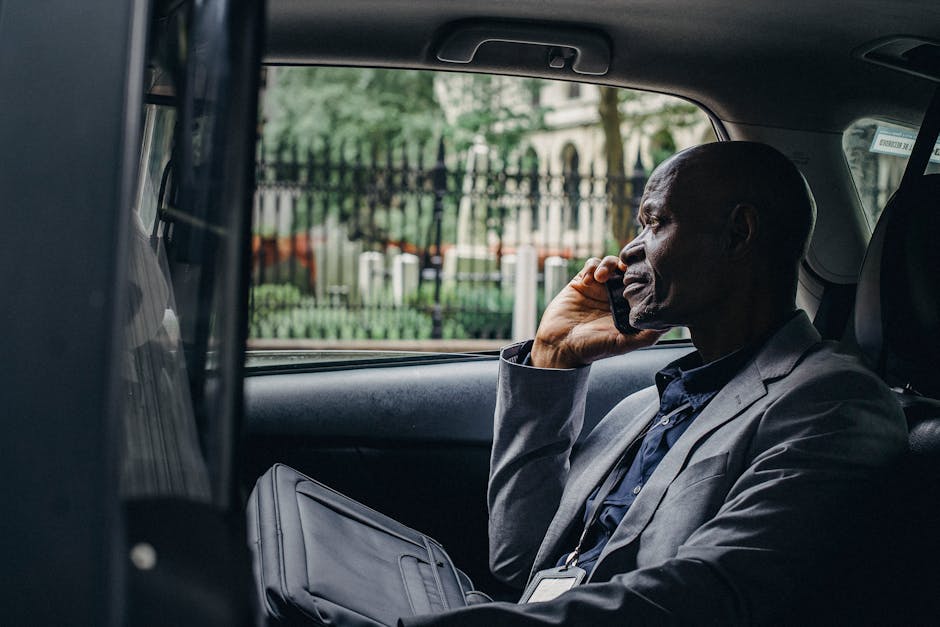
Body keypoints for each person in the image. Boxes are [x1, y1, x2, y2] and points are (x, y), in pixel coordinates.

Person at [400, 141, 907, 626]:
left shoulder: (834, 404)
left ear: (739, 233)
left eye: (656, 223)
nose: (629, 250)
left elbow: (707, 598)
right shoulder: (643, 407)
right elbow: (520, 559)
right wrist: (553, 357)